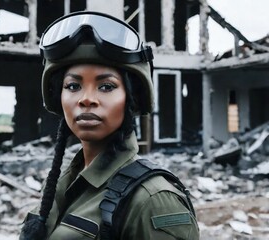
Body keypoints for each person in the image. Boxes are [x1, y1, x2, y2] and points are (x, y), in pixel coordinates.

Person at [20, 11, 199, 240]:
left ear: (130, 99)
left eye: (106, 86)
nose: (86, 99)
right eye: (73, 86)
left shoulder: (153, 200)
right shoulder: (62, 185)